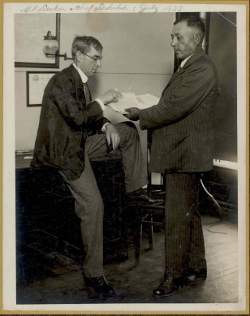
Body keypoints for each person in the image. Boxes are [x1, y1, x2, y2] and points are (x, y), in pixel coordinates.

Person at [31, 35, 157, 297]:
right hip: (64, 153)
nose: (99, 63)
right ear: (78, 56)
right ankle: (94, 274)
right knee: (94, 206)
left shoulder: (80, 82)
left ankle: (136, 190)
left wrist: (105, 124)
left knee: (127, 131)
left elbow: (85, 118)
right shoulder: (62, 80)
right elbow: (77, 117)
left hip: (79, 143)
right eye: (95, 57)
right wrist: (103, 101)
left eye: (100, 57)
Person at [125, 16, 218, 297]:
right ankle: (196, 265)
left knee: (177, 215)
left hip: (183, 154)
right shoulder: (191, 65)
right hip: (184, 152)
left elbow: (173, 108)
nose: (172, 41)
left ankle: (173, 277)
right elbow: (173, 104)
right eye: (172, 36)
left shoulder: (201, 68)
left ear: (197, 39)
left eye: (178, 36)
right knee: (189, 212)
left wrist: (140, 113)